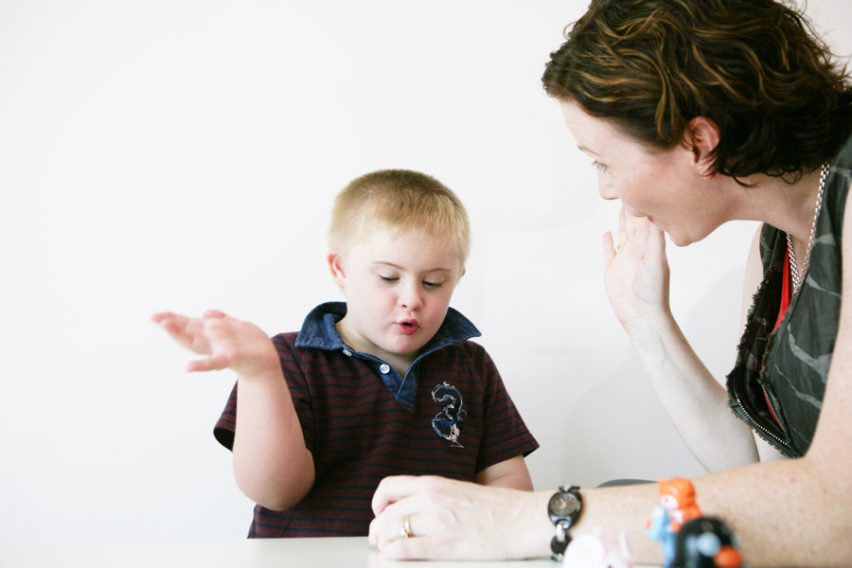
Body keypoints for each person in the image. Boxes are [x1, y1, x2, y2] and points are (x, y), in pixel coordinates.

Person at [368, 0, 852, 565]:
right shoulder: (776, 251)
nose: (606, 190)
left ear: (700, 143)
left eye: (602, 161)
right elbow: (766, 483)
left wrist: (527, 518)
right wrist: (646, 320)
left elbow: (835, 508)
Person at [152, 169, 538, 537]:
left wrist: (483, 524)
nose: (412, 299)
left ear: (457, 279)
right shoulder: (290, 358)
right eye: (388, 277)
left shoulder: (471, 364)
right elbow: (274, 492)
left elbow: (509, 482)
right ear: (340, 269)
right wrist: (259, 375)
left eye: (434, 283)